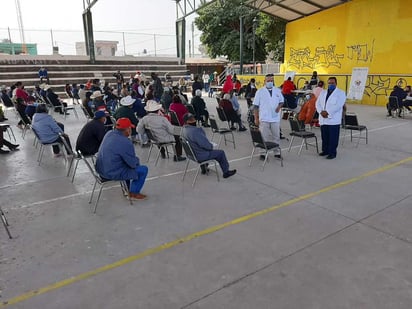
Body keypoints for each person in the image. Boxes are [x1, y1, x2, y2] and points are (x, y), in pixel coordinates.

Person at [95, 118, 149, 200]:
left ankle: (127, 189)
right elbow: (132, 164)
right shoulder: (125, 142)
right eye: (130, 128)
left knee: (128, 164)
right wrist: (137, 161)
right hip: (111, 173)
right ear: (127, 130)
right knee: (143, 169)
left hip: (100, 170)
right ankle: (133, 193)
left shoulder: (109, 133)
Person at [182, 113, 236, 178]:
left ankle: (204, 168)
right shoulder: (195, 131)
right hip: (200, 156)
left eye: (194, 118)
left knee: (203, 148)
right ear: (187, 121)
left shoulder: (184, 130)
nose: (194, 120)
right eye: (192, 119)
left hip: (192, 155)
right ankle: (226, 172)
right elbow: (206, 145)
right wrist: (211, 146)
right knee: (220, 153)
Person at [253, 73, 284, 159]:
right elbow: (256, 106)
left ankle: (277, 152)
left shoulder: (277, 90)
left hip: (275, 118)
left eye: (271, 81)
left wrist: (279, 107)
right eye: (268, 81)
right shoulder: (260, 92)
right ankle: (262, 153)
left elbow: (282, 101)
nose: (270, 82)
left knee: (276, 136)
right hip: (264, 118)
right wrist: (256, 118)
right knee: (263, 136)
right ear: (264, 81)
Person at [315, 76, 346, 159]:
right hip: (323, 118)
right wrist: (321, 112)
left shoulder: (341, 93)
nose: (330, 85)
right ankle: (325, 151)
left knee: (333, 138)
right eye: (329, 83)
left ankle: (332, 153)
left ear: (336, 83)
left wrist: (327, 112)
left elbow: (339, 105)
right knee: (324, 136)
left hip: (333, 120)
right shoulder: (323, 92)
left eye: (332, 83)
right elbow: (317, 104)